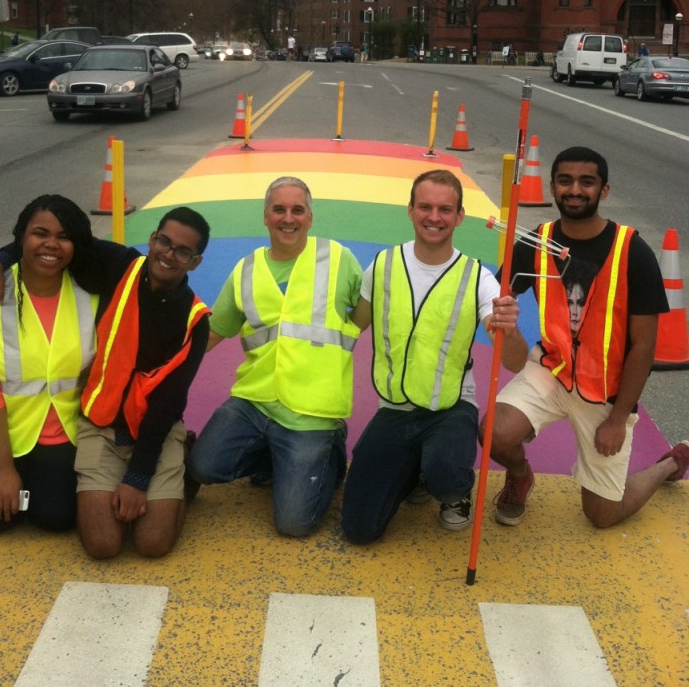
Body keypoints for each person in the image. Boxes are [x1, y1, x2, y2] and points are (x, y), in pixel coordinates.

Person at [0, 206, 212, 558]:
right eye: (164, 242)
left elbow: (167, 405)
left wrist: (138, 479)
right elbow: (54, 236)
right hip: (102, 426)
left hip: (155, 430)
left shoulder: (196, 320)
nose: (168, 254)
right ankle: (146, 488)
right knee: (102, 545)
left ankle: (181, 474)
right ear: (152, 239)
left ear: (196, 262)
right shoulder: (119, 266)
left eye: (183, 251)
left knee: (152, 544)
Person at [482, 145, 689, 530]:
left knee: (602, 516)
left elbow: (644, 347)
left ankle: (667, 466)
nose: (574, 189)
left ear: (604, 191)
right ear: (553, 186)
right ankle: (519, 475)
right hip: (553, 368)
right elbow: (494, 296)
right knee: (494, 430)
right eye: (565, 181)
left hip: (606, 391)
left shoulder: (634, 251)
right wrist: (495, 316)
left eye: (586, 182)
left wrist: (615, 418)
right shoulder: (536, 241)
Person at [341, 170, 526, 545]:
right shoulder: (382, 265)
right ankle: (413, 470)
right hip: (395, 406)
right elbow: (353, 325)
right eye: (424, 206)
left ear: (459, 216)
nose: (434, 217)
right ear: (410, 210)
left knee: (444, 473)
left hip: (451, 407)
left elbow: (514, 362)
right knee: (359, 530)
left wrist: (511, 328)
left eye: (445, 209)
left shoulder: (479, 279)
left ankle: (453, 490)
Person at [186, 176, 362, 538]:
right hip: (255, 401)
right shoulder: (246, 270)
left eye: (298, 210)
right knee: (203, 467)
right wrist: (162, 368)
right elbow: (214, 331)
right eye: (279, 210)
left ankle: (330, 452)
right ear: (265, 216)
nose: (288, 218)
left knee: (294, 524)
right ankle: (273, 457)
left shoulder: (338, 259)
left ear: (310, 218)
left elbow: (368, 309)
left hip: (311, 412)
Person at [0, 194, 99, 535]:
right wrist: (4, 470)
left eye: (64, 236)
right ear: (21, 238)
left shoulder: (92, 292)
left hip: (63, 431)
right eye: (40, 233)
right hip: (5, 433)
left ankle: (34, 493)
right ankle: (15, 482)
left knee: (57, 519)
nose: (51, 245)